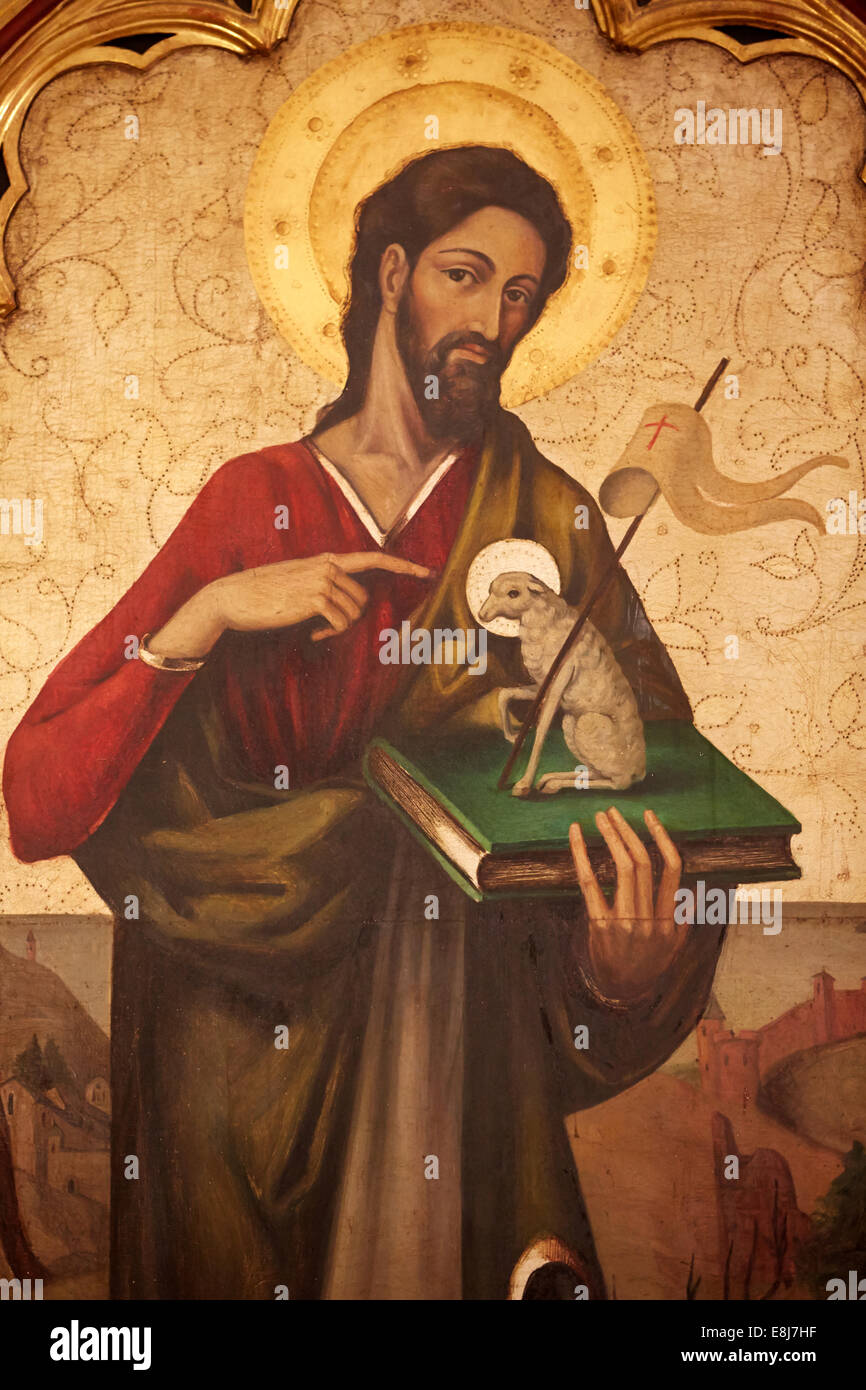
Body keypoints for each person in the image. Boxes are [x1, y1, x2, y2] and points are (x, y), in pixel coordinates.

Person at [3, 146, 724, 1300]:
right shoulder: (253, 500)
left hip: (444, 1051)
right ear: (390, 276)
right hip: (220, 1055)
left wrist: (617, 964)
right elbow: (39, 790)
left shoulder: (545, 516)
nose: (491, 319)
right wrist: (210, 612)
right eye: (464, 274)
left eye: (520, 295)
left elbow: (657, 802)